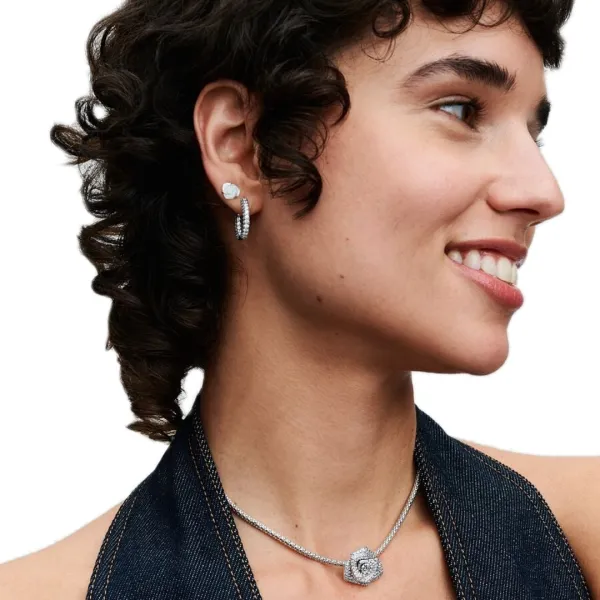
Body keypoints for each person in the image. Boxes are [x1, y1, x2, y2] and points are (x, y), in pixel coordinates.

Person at [1, 0, 598, 598]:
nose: (544, 192)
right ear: (242, 147)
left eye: (533, 133)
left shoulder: (581, 533)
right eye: (461, 110)